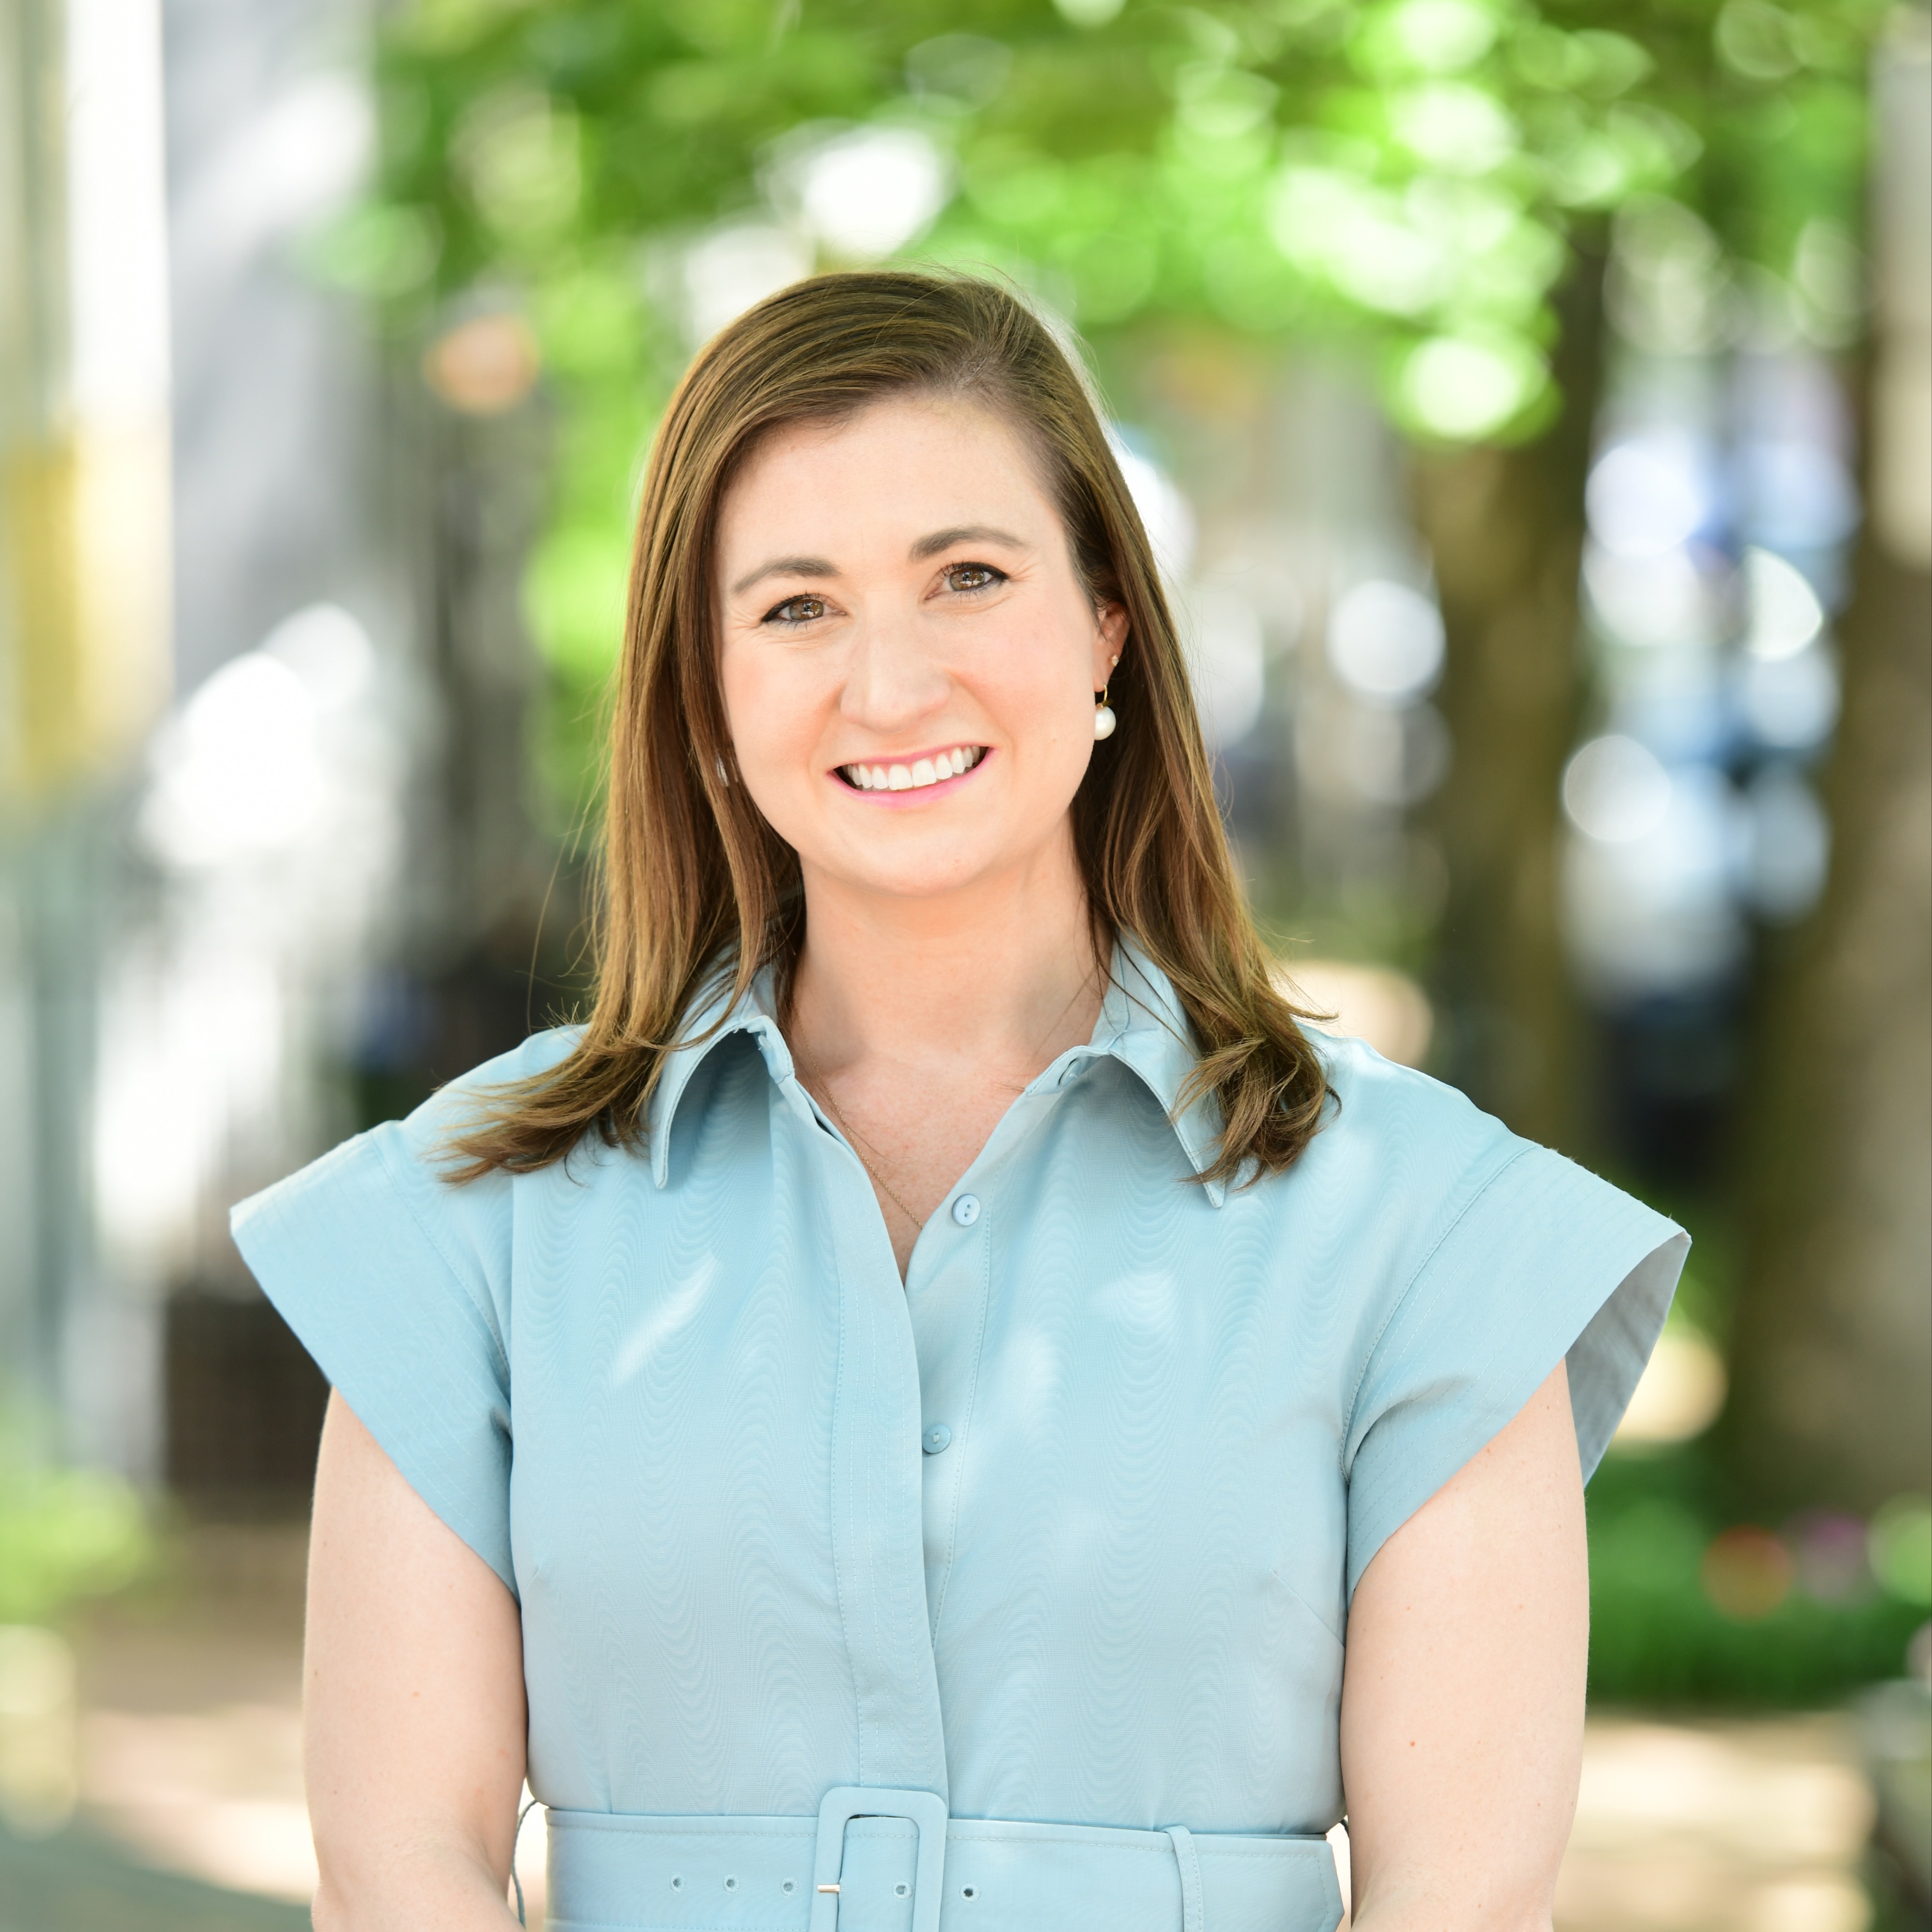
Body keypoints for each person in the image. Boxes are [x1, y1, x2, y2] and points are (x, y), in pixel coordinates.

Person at [234, 271, 1686, 1932]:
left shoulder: (1431, 1234)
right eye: (795, 608)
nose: (890, 682)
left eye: (969, 578)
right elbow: (399, 1871)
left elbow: (1466, 1901)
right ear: (704, 696)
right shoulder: (467, 1225)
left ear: (1108, 628)